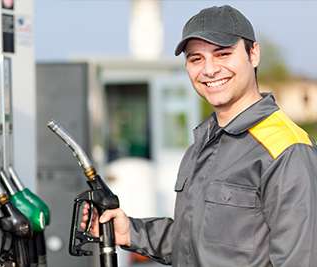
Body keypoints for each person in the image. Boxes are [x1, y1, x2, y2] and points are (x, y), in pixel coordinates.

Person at [81, 5, 317, 267]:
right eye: (196, 59)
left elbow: (301, 259)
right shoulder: (203, 145)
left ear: (254, 54)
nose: (209, 70)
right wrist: (130, 232)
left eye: (223, 54)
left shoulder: (286, 149)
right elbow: (194, 244)